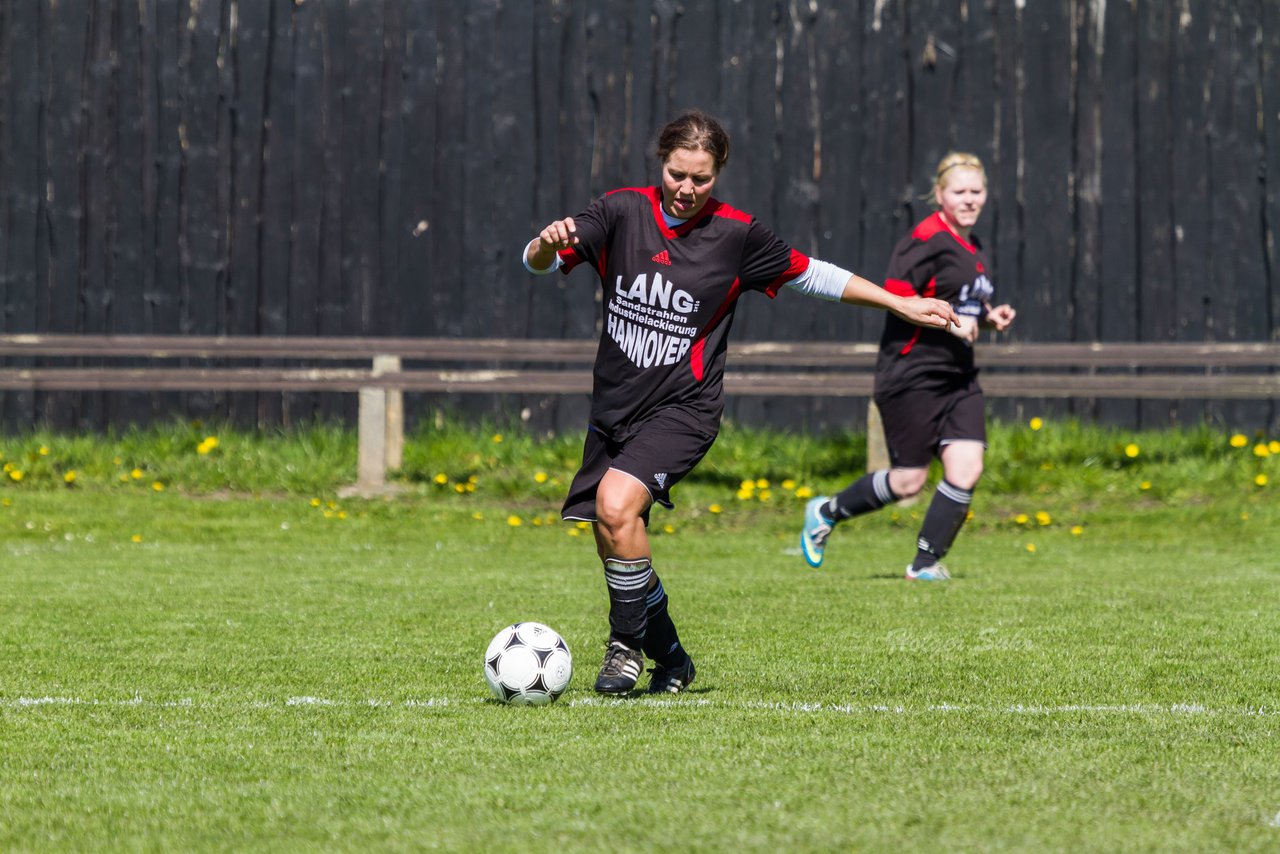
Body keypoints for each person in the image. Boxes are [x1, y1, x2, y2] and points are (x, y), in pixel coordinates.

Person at [522, 110, 958, 695]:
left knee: (616, 504)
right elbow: (539, 261)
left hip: (684, 409)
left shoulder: (736, 234)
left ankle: (623, 649)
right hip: (614, 411)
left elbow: (813, 275)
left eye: (701, 179)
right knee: (614, 533)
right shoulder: (620, 210)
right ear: (662, 164)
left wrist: (901, 304)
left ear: (718, 173)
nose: (686, 189)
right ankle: (672, 659)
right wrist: (543, 244)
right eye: (678, 174)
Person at [800, 151, 1017, 580]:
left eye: (977, 192)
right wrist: (954, 326)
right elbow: (898, 300)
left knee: (968, 466)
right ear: (939, 195)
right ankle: (825, 512)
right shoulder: (925, 240)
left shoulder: (973, 245)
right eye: (960, 192)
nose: (969, 200)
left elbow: (964, 303)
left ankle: (925, 565)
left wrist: (988, 319)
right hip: (912, 373)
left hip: (958, 375)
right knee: (907, 482)